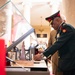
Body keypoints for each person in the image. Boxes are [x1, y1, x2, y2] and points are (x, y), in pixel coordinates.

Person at [34, 10, 75, 75]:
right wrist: (44, 52)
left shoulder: (66, 28)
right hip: (66, 63)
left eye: (53, 24)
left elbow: (58, 44)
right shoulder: (59, 31)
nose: (52, 26)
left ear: (58, 20)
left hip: (71, 63)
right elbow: (54, 45)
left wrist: (43, 55)